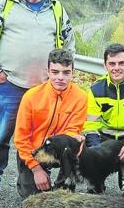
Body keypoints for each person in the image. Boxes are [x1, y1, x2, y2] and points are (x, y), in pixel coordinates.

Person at [0, 0, 74, 202]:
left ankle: (32, 179)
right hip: (11, 86)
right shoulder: (4, 3)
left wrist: (63, 77)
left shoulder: (57, 10)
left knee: (41, 138)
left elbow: (69, 46)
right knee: (1, 135)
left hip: (44, 90)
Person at [13, 49, 87, 198]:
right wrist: (36, 169)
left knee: (82, 145)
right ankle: (30, 176)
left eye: (66, 73)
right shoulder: (31, 97)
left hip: (60, 150)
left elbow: (72, 133)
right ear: (48, 72)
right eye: (55, 72)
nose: (60, 77)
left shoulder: (81, 97)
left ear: (73, 72)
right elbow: (21, 139)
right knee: (32, 197)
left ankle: (65, 184)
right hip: (34, 151)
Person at [83, 44, 124, 163]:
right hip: (105, 138)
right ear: (105, 65)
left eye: (121, 63)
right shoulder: (95, 89)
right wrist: (95, 150)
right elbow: (91, 125)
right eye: (112, 63)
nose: (116, 68)